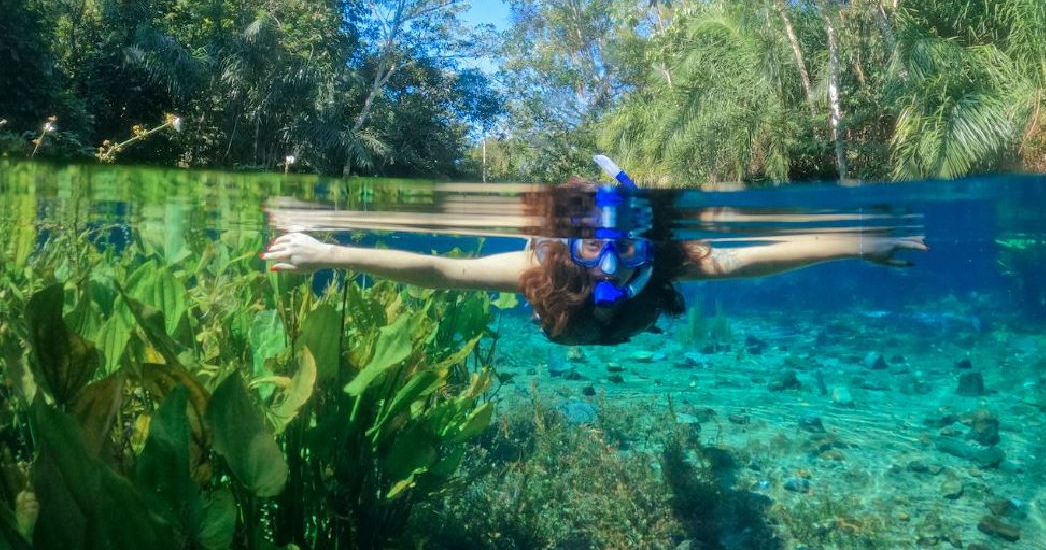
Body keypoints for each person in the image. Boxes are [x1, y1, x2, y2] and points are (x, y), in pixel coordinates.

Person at [262, 156, 926, 346]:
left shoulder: (641, 261)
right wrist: (325, 252)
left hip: (598, 324)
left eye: (625, 245)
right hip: (582, 319)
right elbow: (443, 267)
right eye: (594, 242)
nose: (613, 257)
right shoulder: (570, 266)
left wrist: (858, 239)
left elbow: (748, 257)